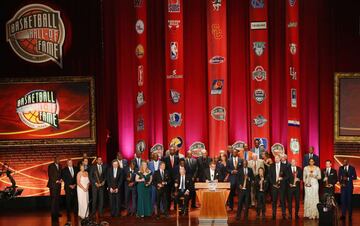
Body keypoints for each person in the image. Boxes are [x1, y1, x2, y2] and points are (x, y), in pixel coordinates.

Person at [268, 155, 289, 220]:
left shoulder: (284, 166)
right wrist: (273, 184)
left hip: (282, 186)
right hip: (274, 186)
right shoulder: (271, 166)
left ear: (280, 159)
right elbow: (270, 176)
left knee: (282, 200)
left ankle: (284, 214)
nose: (276, 159)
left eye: (277, 158)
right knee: (274, 201)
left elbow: (287, 176)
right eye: (275, 158)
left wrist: (282, 178)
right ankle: (274, 215)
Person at [163, 146, 179, 210]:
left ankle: (175, 206)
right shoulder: (165, 158)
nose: (172, 151)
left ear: (175, 151)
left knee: (175, 192)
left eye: (173, 150)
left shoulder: (177, 158)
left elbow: (178, 168)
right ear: (169, 151)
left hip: (175, 178)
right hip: (168, 179)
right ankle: (168, 206)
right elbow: (164, 169)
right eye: (171, 150)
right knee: (168, 193)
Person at [47, 156, 62, 221]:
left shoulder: (60, 165)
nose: (59, 160)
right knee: (53, 199)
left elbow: (61, 174)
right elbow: (50, 175)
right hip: (53, 185)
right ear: (55, 160)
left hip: (59, 185)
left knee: (58, 199)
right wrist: (56, 180)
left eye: (59, 159)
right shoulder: (51, 166)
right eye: (57, 159)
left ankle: (57, 212)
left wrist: (61, 179)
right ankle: (53, 213)